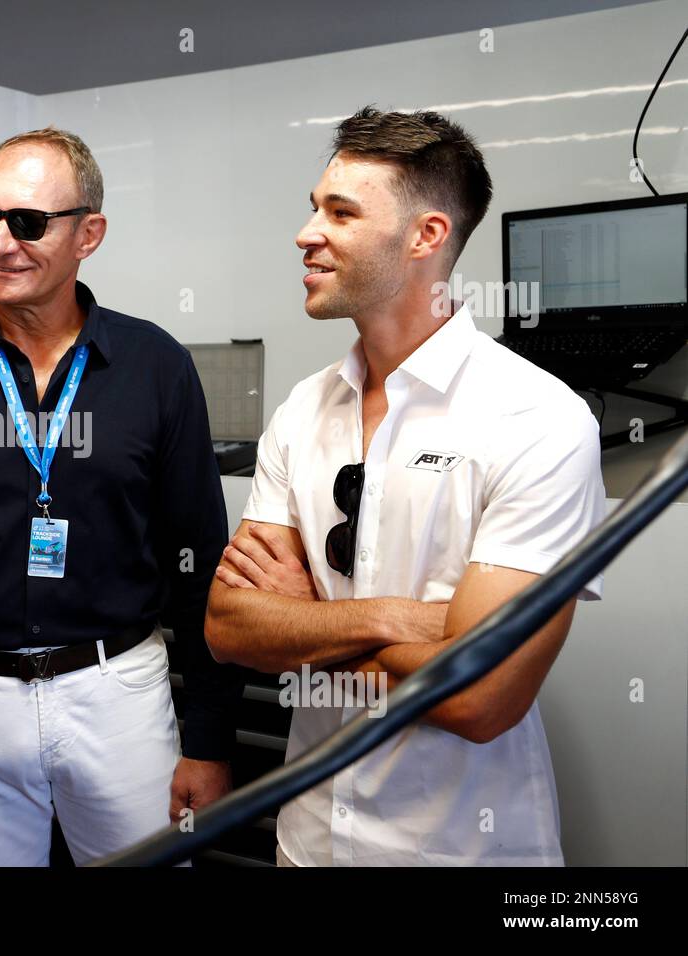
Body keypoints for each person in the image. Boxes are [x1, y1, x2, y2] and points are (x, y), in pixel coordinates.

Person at [205, 107, 605, 866]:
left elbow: (479, 697)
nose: (306, 233)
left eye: (341, 213)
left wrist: (304, 626)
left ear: (425, 237)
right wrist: (413, 621)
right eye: (314, 207)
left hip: (460, 851)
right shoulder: (304, 410)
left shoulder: (538, 419)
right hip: (311, 841)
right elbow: (230, 629)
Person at [0, 127, 240, 866]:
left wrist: (211, 739)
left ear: (87, 234)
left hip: (118, 692)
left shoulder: (155, 366)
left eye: (27, 223)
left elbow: (200, 568)